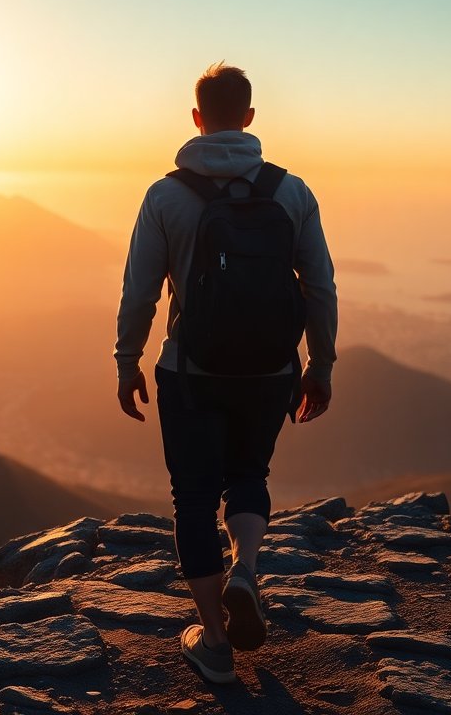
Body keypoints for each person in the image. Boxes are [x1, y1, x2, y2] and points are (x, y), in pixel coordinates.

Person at [113, 62, 337, 683]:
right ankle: (246, 571)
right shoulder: (291, 192)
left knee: (193, 497)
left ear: (195, 118)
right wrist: (319, 364)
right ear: (249, 117)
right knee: (249, 473)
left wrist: (126, 358)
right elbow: (319, 287)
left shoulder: (166, 196)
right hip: (271, 371)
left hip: (190, 371)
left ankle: (214, 642)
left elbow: (141, 291)